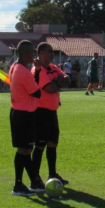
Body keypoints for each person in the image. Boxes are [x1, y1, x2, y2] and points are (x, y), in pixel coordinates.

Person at [32, 43, 72, 186]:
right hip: (40, 112)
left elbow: (68, 79)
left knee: (52, 144)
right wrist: (57, 82)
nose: (52, 54)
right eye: (49, 52)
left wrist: (57, 82)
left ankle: (52, 174)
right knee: (40, 145)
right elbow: (50, 89)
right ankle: (35, 177)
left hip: (52, 111)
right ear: (41, 53)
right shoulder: (38, 71)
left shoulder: (54, 68)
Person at [9, 41, 44, 196]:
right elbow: (37, 92)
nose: (34, 55)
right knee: (23, 149)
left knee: (27, 149)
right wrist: (36, 72)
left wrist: (35, 70)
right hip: (24, 114)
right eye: (32, 52)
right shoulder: (23, 71)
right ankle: (18, 184)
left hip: (19, 111)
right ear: (24, 53)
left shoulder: (15, 67)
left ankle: (34, 182)